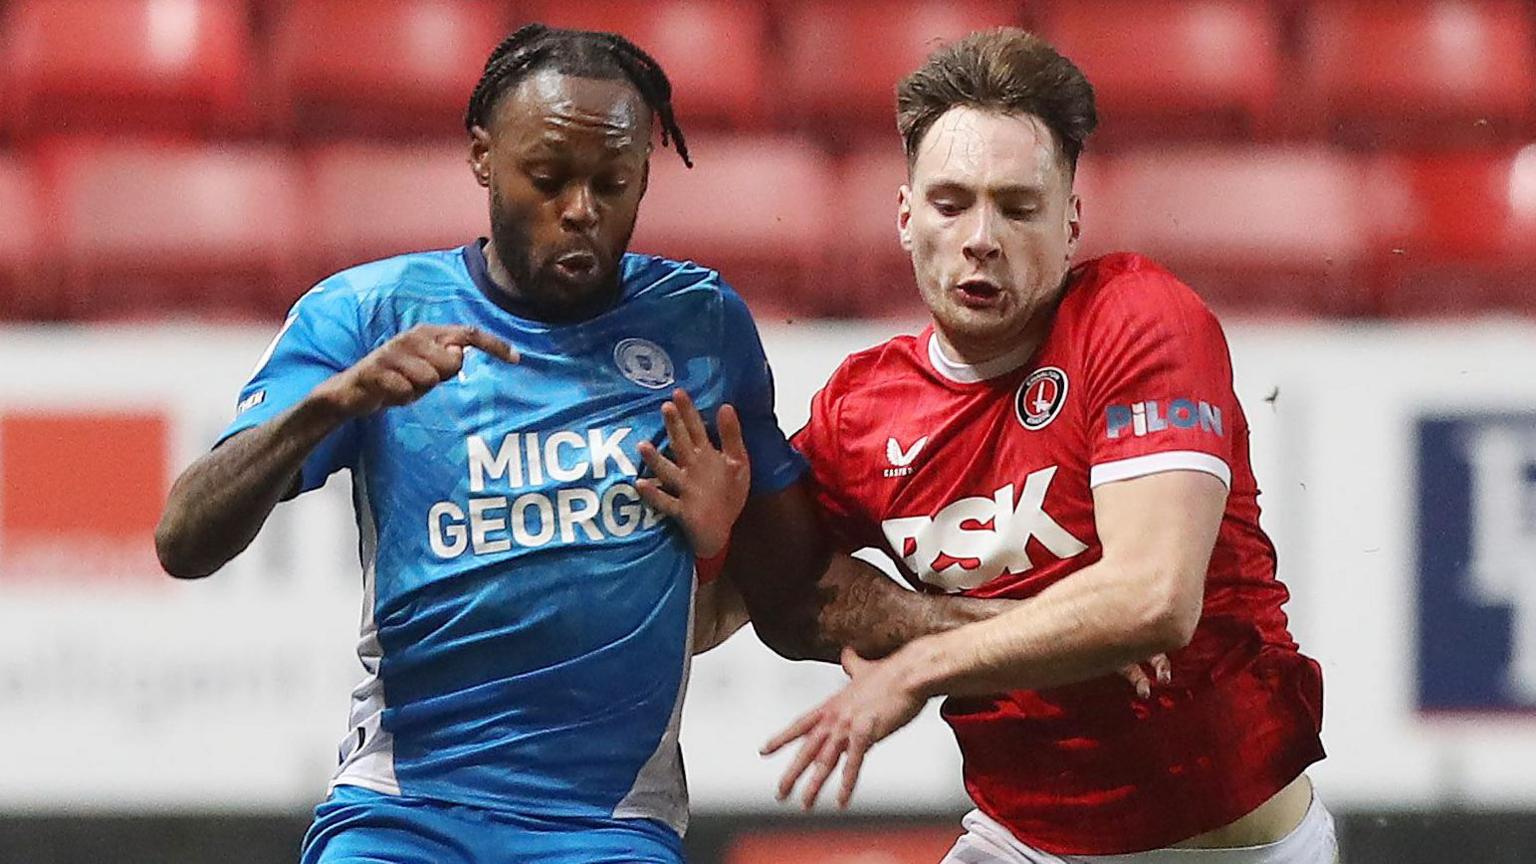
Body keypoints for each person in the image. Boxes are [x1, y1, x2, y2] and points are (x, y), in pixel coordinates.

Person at [154, 23, 806, 864]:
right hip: (404, 812)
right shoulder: (367, 315)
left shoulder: (703, 325)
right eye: (548, 178)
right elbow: (183, 539)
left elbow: (792, 585)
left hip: (606, 829)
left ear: (646, 172)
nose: (581, 210)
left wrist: (720, 547)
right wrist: (332, 403)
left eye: (613, 183)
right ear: (482, 157)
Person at [726, 28, 1335, 864]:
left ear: (1071, 221)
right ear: (905, 218)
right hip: (1022, 843)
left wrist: (917, 665)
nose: (982, 237)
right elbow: (765, 598)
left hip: (1229, 848)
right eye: (951, 203)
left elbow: (1150, 602)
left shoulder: (1139, 319)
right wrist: (697, 533)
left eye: (1018, 207)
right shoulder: (860, 409)